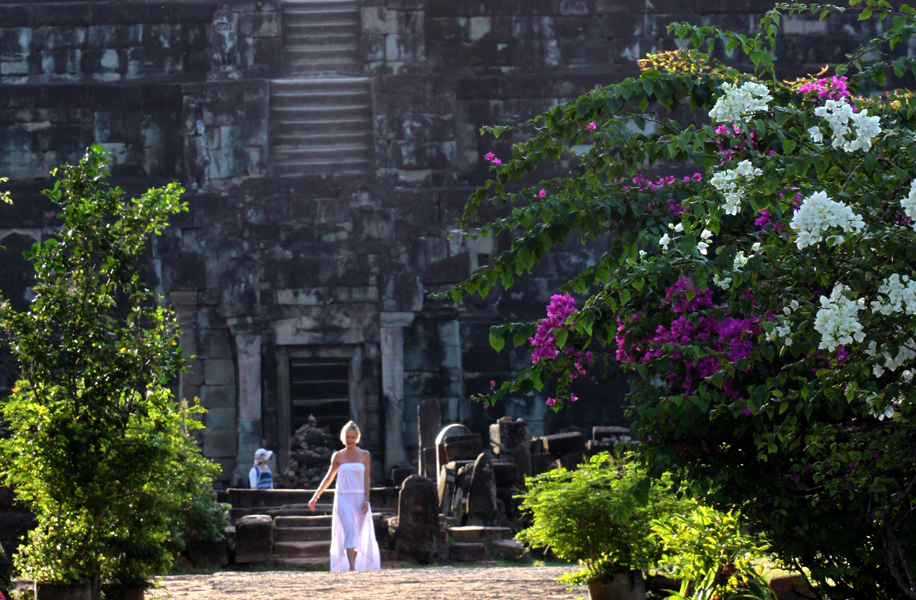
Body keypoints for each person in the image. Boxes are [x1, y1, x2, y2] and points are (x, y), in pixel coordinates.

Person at [309, 421, 380, 572]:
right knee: (349, 529)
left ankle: (355, 562)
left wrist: (367, 500)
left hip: (360, 496)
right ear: (344, 438)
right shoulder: (338, 456)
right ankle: (352, 567)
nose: (350, 440)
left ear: (357, 438)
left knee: (359, 533)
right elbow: (329, 478)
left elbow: (367, 479)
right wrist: (316, 495)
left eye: (352, 437)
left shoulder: (365, 455)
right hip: (343, 497)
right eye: (347, 437)